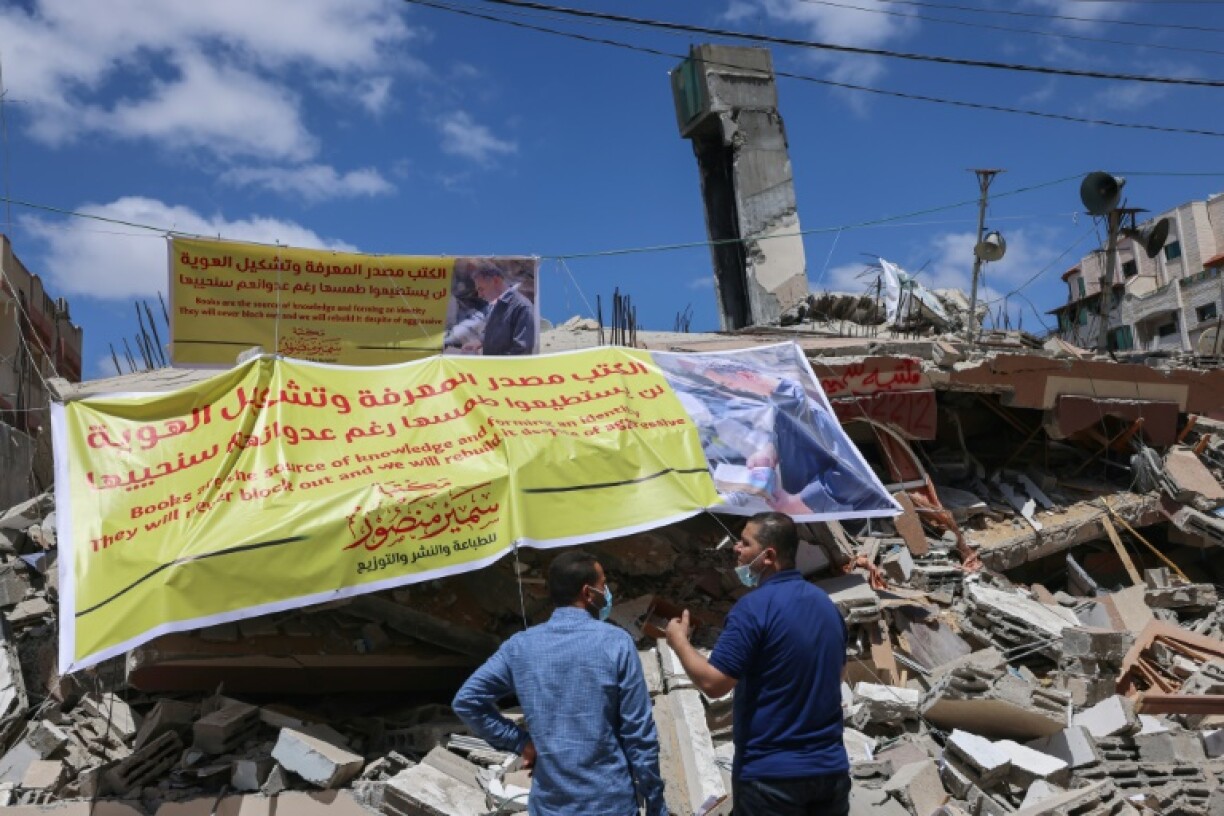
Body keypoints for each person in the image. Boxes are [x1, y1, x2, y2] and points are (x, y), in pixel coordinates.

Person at [452, 550, 666, 816]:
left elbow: (466, 701)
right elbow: (639, 733)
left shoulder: (521, 646)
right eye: (603, 585)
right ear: (588, 593)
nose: (607, 592)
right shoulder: (617, 643)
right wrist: (655, 801)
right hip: (609, 803)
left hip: (550, 805)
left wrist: (521, 742)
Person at [665, 512, 850, 816]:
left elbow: (714, 683)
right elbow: (838, 674)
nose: (736, 548)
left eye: (745, 542)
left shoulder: (752, 610)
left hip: (770, 778)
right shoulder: (825, 605)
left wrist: (680, 642)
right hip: (830, 773)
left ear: (769, 556)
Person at [465, 266, 535, 355]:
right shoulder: (494, 304)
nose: (479, 295)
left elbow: (522, 350)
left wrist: (496, 366)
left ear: (496, 281)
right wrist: (479, 342)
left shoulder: (521, 306)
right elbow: (491, 330)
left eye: (481, 289)